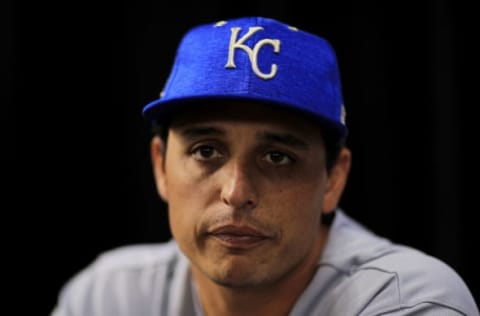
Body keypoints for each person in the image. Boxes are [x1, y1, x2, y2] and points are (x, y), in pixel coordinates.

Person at [51, 16, 479, 316]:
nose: (236, 192)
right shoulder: (108, 298)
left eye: (278, 156)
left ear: (334, 179)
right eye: (205, 151)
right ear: (161, 167)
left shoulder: (409, 301)